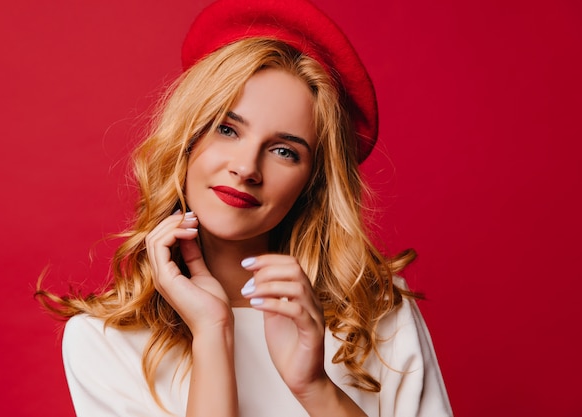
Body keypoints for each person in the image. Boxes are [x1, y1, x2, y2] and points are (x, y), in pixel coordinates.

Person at [37, 0, 452, 416]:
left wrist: (314, 387)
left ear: (313, 182)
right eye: (227, 129)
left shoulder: (379, 311)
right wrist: (213, 333)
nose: (246, 168)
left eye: (284, 151)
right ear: (188, 135)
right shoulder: (103, 340)